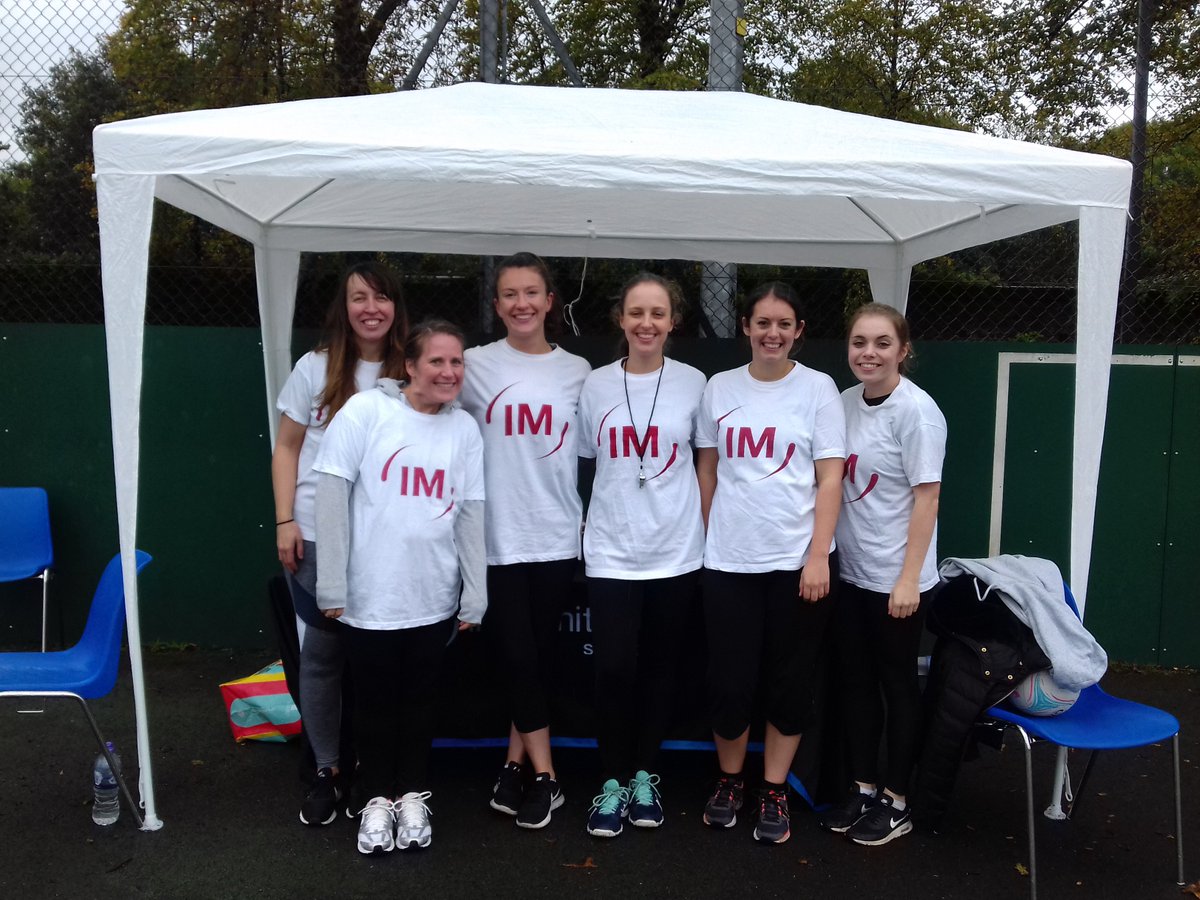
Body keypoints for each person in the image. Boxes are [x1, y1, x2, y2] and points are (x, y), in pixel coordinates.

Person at [312, 319, 486, 855]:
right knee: (374, 706)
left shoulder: (464, 431)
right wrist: (331, 584)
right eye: (436, 361)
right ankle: (374, 802)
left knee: (420, 704)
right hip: (370, 599)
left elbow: (470, 515)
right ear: (409, 366)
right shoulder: (366, 412)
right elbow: (332, 496)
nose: (448, 372)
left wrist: (475, 593)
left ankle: (411, 795)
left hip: (432, 599)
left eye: (456, 362)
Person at [695, 281, 845, 845]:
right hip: (728, 562)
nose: (772, 334)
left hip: (797, 565)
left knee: (789, 683)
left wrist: (816, 556)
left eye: (784, 324)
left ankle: (774, 787)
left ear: (799, 331)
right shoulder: (719, 387)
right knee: (730, 683)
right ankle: (730, 780)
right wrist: (714, 535)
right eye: (763, 323)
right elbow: (707, 469)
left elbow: (830, 476)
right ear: (746, 328)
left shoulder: (819, 389)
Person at [270, 261, 407, 826]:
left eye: (380, 297)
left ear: (396, 307)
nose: (370, 308)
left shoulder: (415, 369)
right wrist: (284, 521)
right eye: (358, 297)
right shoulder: (315, 367)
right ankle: (327, 770)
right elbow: (287, 448)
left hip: (389, 542)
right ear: (343, 307)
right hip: (318, 535)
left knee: (384, 662)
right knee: (322, 657)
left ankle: (381, 777)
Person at [460, 252, 591, 829]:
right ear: (497, 306)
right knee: (515, 656)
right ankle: (548, 776)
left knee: (535, 660)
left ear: (549, 301)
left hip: (557, 537)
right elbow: (420, 393)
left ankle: (514, 763)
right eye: (510, 294)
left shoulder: (579, 371)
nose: (521, 303)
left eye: (531, 292)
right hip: (496, 540)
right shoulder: (472, 365)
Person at [577, 272, 707, 838]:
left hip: (675, 552)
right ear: (620, 319)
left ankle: (646, 776)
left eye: (657, 313)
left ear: (673, 321)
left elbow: (707, 461)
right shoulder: (595, 385)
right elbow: (588, 460)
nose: (646, 323)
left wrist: (696, 523)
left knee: (659, 670)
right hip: (610, 551)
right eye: (636, 312)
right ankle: (611, 780)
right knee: (612, 669)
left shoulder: (695, 383)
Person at [818, 302, 946, 846]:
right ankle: (864, 788)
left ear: (903, 350)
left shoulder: (918, 413)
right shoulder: (843, 403)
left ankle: (898, 800)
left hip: (899, 582)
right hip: (852, 575)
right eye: (858, 343)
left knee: (898, 687)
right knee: (856, 685)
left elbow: (928, 498)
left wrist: (908, 579)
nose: (868, 353)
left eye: (881, 344)